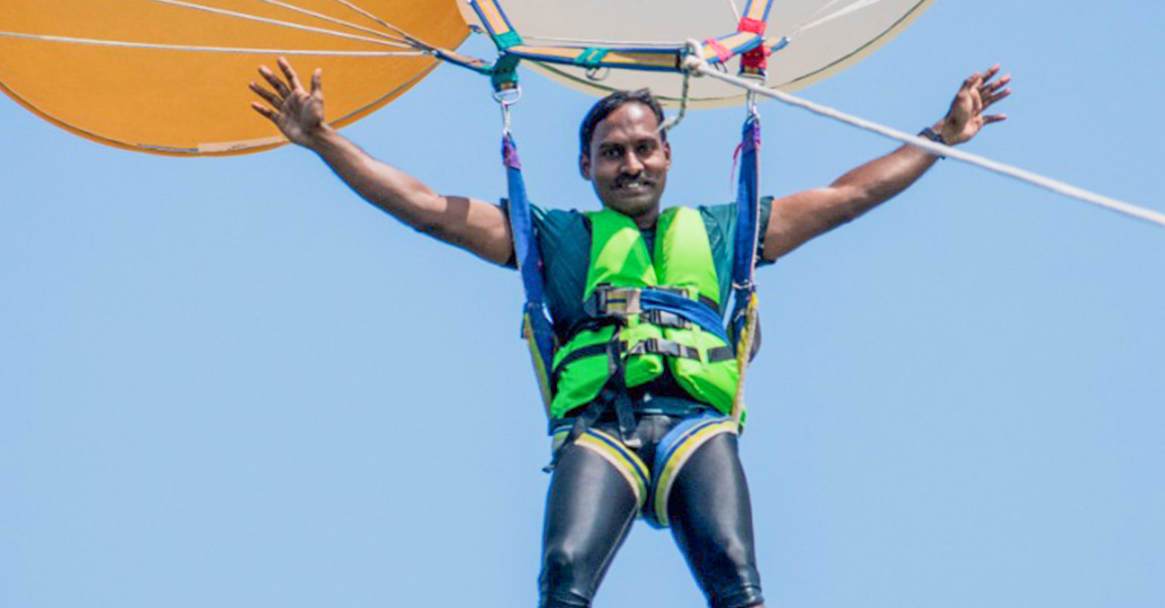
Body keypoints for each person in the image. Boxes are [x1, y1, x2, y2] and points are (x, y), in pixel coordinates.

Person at [250, 59, 1011, 608]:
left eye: (643, 147)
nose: (630, 162)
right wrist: (325, 141)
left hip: (694, 426)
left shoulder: (725, 233)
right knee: (561, 570)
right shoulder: (557, 238)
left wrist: (940, 133)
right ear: (585, 165)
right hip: (600, 430)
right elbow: (422, 204)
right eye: (611, 152)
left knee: (735, 573)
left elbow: (848, 194)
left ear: (668, 155)